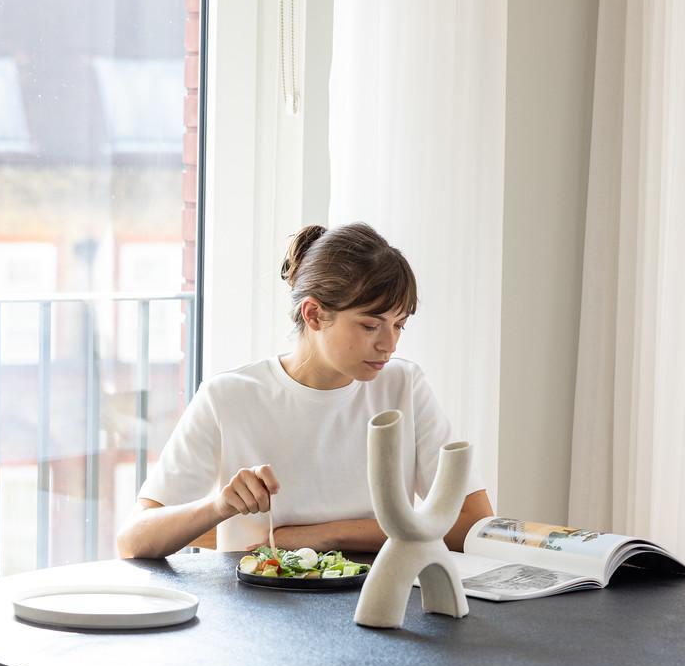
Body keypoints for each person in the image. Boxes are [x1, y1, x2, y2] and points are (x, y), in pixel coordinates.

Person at [116, 222, 492, 561]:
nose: (388, 344)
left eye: (399, 326)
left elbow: (473, 524)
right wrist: (219, 506)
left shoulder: (404, 386)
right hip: (262, 612)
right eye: (370, 325)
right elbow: (133, 540)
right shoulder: (229, 396)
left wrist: (319, 536)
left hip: (380, 603)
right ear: (313, 315)